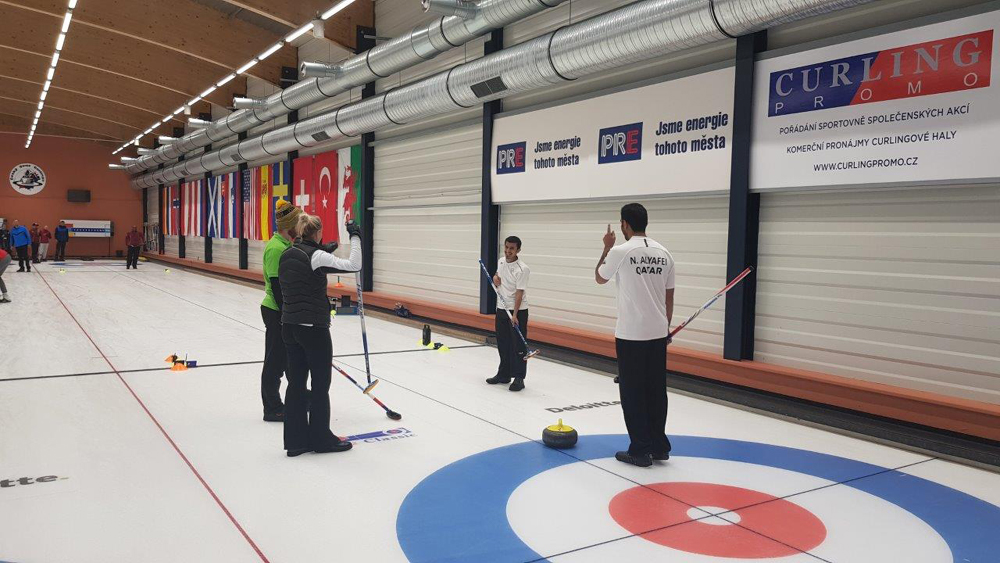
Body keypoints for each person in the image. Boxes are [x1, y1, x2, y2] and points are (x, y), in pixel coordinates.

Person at [595, 203, 675, 468]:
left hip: (631, 334)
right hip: (658, 333)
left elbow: (600, 277)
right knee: (656, 390)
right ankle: (659, 446)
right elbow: (669, 298)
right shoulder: (665, 253)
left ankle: (640, 450)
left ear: (624, 224)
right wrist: (665, 328)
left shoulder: (620, 251)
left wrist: (606, 247)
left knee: (632, 392)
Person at [278, 213, 361, 457]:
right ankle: (321, 439)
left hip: (289, 325)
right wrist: (355, 236)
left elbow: (304, 270)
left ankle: (296, 442)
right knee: (320, 384)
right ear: (318, 232)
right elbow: (354, 264)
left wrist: (323, 251)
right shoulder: (317, 256)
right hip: (313, 328)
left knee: (296, 384)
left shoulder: (287, 253)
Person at [259, 201, 301, 423]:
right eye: (298, 223)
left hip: (284, 311)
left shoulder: (286, 244)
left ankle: (299, 399)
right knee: (275, 360)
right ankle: (272, 407)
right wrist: (288, 317)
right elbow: (277, 287)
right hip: (276, 311)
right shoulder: (276, 248)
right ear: (290, 225)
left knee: (290, 359)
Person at [486, 236, 531, 392]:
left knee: (518, 346)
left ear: (518, 250)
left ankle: (519, 378)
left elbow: (519, 293)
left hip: (518, 311)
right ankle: (504, 374)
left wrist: (515, 314)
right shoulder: (501, 261)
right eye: (506, 247)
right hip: (501, 308)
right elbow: (498, 276)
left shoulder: (523, 269)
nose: (508, 251)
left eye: (512, 248)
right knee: (503, 343)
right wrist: (495, 278)